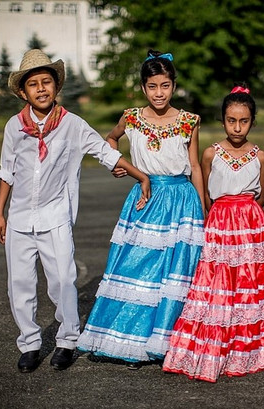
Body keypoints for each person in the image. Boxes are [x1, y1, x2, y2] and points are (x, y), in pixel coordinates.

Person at [0, 49, 150, 373]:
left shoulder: (72, 125)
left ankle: (67, 340)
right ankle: (30, 343)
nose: (41, 89)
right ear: (23, 92)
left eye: (46, 82)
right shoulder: (14, 127)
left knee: (63, 281)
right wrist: (0, 213)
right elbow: (6, 171)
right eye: (33, 84)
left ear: (56, 87)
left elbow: (102, 151)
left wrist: (139, 174)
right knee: (19, 285)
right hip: (20, 219)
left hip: (55, 218)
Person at [77, 50, 205, 369]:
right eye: (152, 86)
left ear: (174, 85)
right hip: (146, 199)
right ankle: (129, 342)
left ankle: (163, 343)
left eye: (164, 85)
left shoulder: (189, 121)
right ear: (143, 88)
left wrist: (203, 208)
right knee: (137, 269)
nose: (159, 93)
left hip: (181, 200)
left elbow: (194, 165)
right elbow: (110, 138)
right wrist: (116, 164)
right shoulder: (132, 117)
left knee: (174, 274)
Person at [162, 85, 264, 382]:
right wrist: (220, 213)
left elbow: (262, 196)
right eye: (231, 120)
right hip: (219, 222)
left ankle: (251, 348)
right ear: (222, 120)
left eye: (244, 121)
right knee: (217, 280)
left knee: (250, 282)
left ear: (252, 122)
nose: (237, 127)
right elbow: (204, 195)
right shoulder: (210, 154)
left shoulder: (261, 156)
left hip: (251, 224)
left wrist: (244, 213)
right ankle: (215, 345)